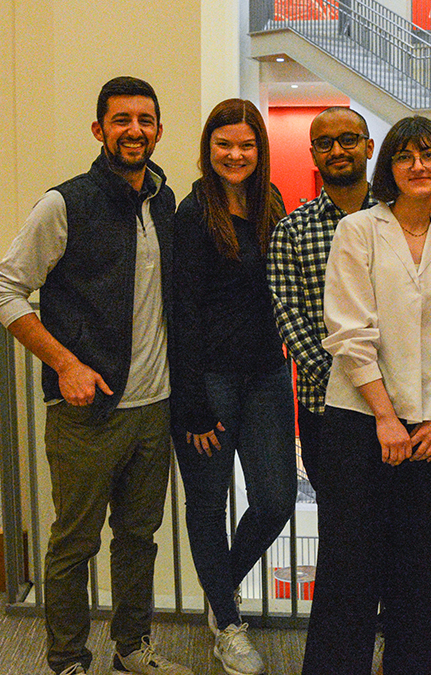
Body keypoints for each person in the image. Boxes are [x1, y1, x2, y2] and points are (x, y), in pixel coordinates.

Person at [0, 76, 192, 675]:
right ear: (99, 130)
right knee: (74, 544)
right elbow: (5, 290)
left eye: (145, 119)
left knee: (139, 540)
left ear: (158, 130)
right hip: (85, 416)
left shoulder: (162, 198)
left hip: (154, 409)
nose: (135, 130)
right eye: (121, 119)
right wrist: (63, 363)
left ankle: (131, 649)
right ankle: (68, 660)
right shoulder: (64, 203)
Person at [303, 115, 431, 675]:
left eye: (429, 154)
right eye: (405, 156)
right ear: (388, 167)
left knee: (422, 567)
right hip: (361, 424)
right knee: (350, 567)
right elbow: (348, 331)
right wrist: (385, 416)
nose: (418, 165)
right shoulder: (357, 231)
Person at [169, 98, 294, 675]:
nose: (236, 155)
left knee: (275, 500)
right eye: (225, 144)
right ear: (208, 148)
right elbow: (182, 311)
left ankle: (220, 597)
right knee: (208, 505)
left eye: (246, 145)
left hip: (269, 373)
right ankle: (229, 622)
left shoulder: (272, 204)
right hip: (209, 382)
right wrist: (191, 402)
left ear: (259, 149)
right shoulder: (192, 215)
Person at [268, 106, 376, 495]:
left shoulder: (398, 220)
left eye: (348, 140)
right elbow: (289, 318)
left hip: (401, 405)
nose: (337, 150)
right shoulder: (292, 231)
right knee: (338, 526)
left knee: (398, 530)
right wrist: (352, 383)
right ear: (313, 154)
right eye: (324, 143)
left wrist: (384, 387)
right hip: (324, 406)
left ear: (368, 147)